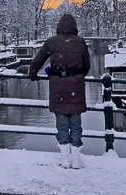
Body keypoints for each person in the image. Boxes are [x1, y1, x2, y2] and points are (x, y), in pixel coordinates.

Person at [28, 13, 90, 169]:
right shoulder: (81, 43)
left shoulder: (51, 42)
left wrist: (33, 73)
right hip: (76, 86)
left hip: (58, 88)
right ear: (74, 27)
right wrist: (76, 75)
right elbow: (86, 66)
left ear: (59, 26)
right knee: (76, 123)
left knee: (61, 123)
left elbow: (38, 60)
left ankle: (65, 158)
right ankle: (76, 159)